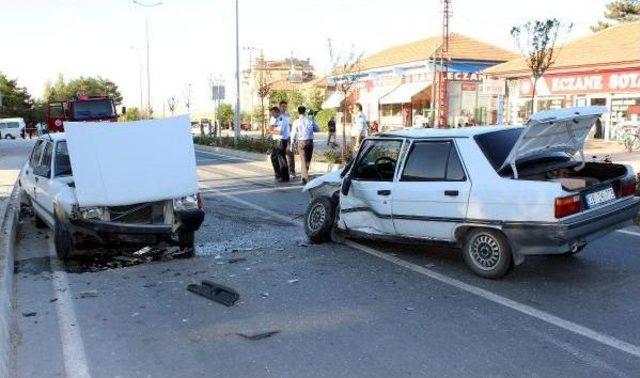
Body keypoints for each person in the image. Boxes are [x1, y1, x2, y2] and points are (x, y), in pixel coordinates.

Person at [291, 106, 318, 185]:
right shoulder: (310, 120)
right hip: (310, 142)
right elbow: (317, 129)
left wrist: (292, 142)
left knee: (303, 160)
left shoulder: (296, 121)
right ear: (305, 111)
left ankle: (304, 178)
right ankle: (305, 176)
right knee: (308, 160)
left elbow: (293, 133)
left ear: (298, 112)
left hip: (301, 142)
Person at [266, 106, 290, 182]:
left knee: (281, 159)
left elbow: (280, 132)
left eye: (273, 113)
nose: (272, 115)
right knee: (274, 157)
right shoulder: (276, 119)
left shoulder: (282, 119)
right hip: (277, 141)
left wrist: (270, 131)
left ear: (277, 112)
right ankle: (279, 175)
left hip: (281, 141)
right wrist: (271, 130)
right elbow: (272, 128)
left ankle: (284, 177)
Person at [279, 100, 296, 178]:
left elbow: (291, 126)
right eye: (283, 106)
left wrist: (293, 137)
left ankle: (292, 171)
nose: (284, 108)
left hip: (288, 137)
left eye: (285, 107)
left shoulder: (287, 115)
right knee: (281, 155)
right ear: (280, 107)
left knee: (290, 153)